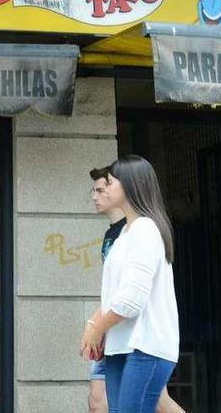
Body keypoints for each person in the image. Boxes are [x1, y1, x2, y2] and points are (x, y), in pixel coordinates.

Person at [80, 156, 180, 413]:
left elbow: (131, 300)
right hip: (122, 345)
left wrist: (96, 327)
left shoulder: (145, 229)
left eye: (110, 182)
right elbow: (116, 295)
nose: (103, 188)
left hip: (145, 346)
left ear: (131, 186)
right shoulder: (126, 232)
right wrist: (98, 328)